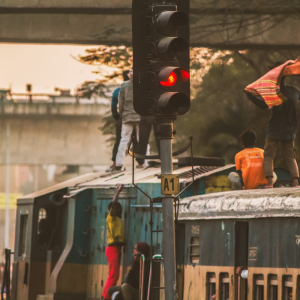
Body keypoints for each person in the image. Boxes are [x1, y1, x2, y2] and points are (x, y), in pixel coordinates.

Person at [245, 60, 300, 188]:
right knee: (290, 156)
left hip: (274, 130)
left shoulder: (272, 91)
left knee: (269, 155)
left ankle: (270, 183)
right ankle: (296, 182)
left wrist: (250, 96)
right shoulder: (294, 91)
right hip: (289, 130)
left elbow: (262, 105)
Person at [102, 185, 125, 300]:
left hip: (116, 249)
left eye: (120, 208)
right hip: (112, 249)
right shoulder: (111, 218)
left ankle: (105, 296)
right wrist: (118, 192)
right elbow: (114, 203)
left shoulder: (118, 219)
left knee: (114, 275)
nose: (119, 210)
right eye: (117, 208)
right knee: (113, 276)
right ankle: (106, 297)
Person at [115, 70, 140, 170]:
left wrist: (121, 113)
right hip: (139, 115)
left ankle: (119, 163)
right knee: (141, 140)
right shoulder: (141, 86)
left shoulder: (124, 85)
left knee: (124, 140)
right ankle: (144, 162)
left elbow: (121, 102)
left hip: (127, 116)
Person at [109, 70, 130, 171]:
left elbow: (114, 105)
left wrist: (116, 116)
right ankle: (142, 162)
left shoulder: (118, 90)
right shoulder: (136, 89)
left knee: (119, 140)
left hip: (122, 117)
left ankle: (115, 163)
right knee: (139, 139)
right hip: (136, 116)